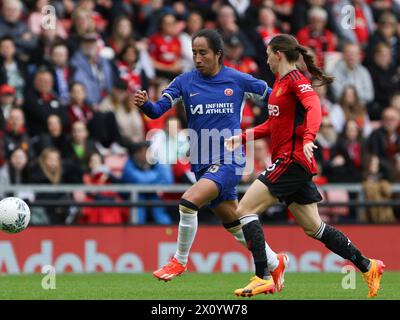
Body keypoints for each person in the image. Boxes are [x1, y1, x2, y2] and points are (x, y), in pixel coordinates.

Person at [225, 34, 385, 298]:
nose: (266, 59)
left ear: (278, 54)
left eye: (268, 54)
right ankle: (368, 266)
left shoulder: (297, 80)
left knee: (244, 210)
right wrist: (242, 136)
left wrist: (309, 138)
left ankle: (263, 275)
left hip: (290, 161)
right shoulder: (278, 83)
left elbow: (314, 108)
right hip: (293, 163)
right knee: (314, 227)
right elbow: (272, 125)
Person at [132, 29, 288, 290]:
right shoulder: (184, 81)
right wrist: (146, 104)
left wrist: (298, 104)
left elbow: (274, 96)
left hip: (230, 159)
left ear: (218, 54)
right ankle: (274, 261)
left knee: (188, 201)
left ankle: (179, 260)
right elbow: (158, 109)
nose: (197, 58)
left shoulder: (237, 79)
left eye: (203, 53)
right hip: (202, 163)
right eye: (194, 53)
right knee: (234, 223)